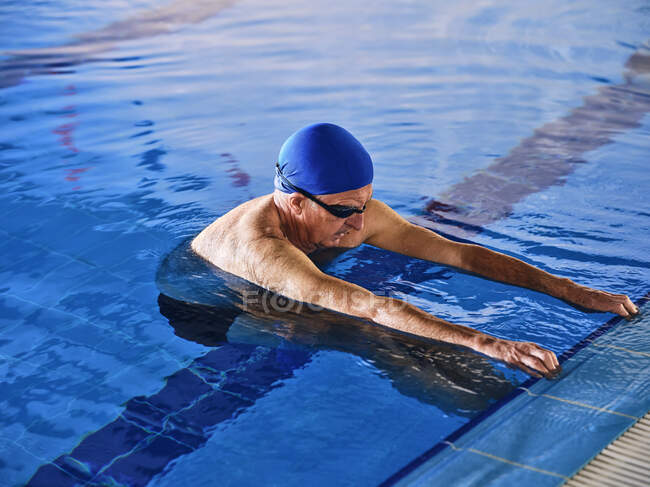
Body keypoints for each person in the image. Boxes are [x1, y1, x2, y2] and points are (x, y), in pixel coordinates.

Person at [191, 123, 638, 378]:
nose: (361, 224)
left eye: (365, 204)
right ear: (295, 203)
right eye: (347, 211)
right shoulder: (262, 248)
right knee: (369, 336)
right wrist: (490, 343)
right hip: (215, 303)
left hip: (298, 270)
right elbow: (368, 306)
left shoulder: (347, 209)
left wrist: (568, 288)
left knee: (389, 325)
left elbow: (458, 255)